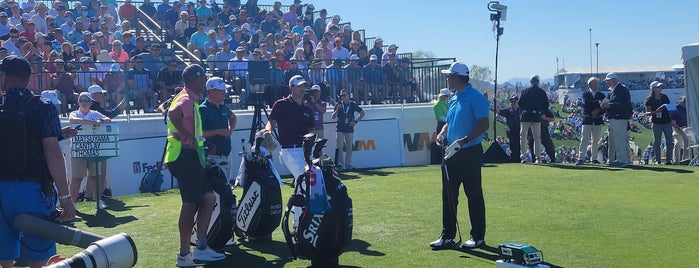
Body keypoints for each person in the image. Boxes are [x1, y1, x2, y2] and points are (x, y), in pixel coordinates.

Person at [0, 55, 77, 268]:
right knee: (42, 261)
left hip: (2, 192)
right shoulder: (43, 106)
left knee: (3, 260)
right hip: (35, 192)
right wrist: (65, 196)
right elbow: (51, 151)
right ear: (28, 79)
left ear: (4, 77)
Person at [165, 64, 226, 266]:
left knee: (208, 198)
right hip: (184, 156)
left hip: (190, 156)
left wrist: (199, 142)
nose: (204, 82)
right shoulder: (186, 98)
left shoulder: (190, 97)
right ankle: (184, 254)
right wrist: (184, 135)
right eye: (201, 79)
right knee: (190, 204)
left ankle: (200, 248)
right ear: (193, 80)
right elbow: (173, 113)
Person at [430, 62, 489, 249]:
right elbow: (448, 122)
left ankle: (477, 236)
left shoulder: (475, 97)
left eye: (449, 76)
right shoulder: (454, 98)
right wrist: (442, 133)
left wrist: (463, 140)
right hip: (450, 153)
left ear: (457, 77)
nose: (447, 78)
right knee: (448, 195)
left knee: (473, 194)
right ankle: (447, 235)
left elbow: (483, 124)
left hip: (469, 151)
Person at [260, 75, 314, 181]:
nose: (302, 89)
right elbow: (271, 122)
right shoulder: (281, 104)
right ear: (291, 87)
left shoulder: (308, 109)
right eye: (299, 86)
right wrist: (267, 131)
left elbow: (311, 130)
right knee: (304, 180)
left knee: (307, 182)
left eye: (304, 86)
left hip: (306, 150)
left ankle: (298, 197)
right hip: (290, 150)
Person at [68, 92, 111, 208]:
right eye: (81, 100)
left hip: (93, 149)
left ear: (91, 103)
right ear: (78, 102)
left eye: (86, 101)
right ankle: (72, 204)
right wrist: (92, 123)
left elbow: (108, 119)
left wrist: (100, 121)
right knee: (77, 178)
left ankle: (98, 201)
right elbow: (72, 120)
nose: (83, 103)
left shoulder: (94, 113)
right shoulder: (75, 113)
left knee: (95, 176)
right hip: (78, 150)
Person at [199, 77, 238, 179]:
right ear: (211, 92)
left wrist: (230, 130)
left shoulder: (223, 107)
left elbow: (233, 117)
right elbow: (198, 133)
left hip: (226, 155)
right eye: (221, 91)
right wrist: (217, 132)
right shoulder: (202, 109)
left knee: (225, 190)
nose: (225, 93)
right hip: (212, 158)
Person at [600, 72, 632, 167]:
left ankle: (622, 160)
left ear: (614, 80)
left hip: (619, 118)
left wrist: (608, 105)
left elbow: (622, 104)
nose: (607, 83)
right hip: (615, 118)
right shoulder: (613, 91)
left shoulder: (621, 90)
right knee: (614, 140)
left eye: (608, 81)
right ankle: (618, 159)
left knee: (619, 140)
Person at [518, 75, 549, 163]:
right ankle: (538, 158)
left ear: (531, 81)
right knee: (537, 138)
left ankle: (523, 156)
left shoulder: (525, 91)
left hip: (526, 115)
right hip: (536, 116)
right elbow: (546, 105)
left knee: (523, 137)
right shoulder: (541, 92)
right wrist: (540, 111)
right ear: (538, 82)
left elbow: (520, 103)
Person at [332, 89, 365, 170]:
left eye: (344, 95)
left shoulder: (352, 104)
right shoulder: (338, 104)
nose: (342, 97)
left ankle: (348, 164)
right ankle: (340, 165)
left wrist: (355, 121)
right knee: (339, 147)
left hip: (349, 129)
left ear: (348, 95)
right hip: (340, 128)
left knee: (349, 148)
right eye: (341, 96)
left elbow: (362, 113)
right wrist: (337, 110)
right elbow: (333, 117)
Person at [576, 77, 606, 165]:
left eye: (597, 83)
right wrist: (598, 107)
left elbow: (605, 107)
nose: (597, 85)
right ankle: (581, 158)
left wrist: (598, 110)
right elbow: (586, 105)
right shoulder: (585, 94)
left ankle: (594, 158)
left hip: (598, 119)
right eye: (595, 84)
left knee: (595, 140)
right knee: (584, 139)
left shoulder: (601, 95)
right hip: (587, 119)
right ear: (590, 85)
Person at [644, 81, 673, 165]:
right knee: (657, 141)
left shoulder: (664, 97)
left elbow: (669, 106)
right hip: (656, 122)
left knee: (669, 140)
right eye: (658, 87)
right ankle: (658, 159)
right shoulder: (649, 99)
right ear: (653, 89)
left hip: (667, 121)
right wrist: (656, 112)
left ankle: (669, 159)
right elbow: (647, 113)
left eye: (660, 87)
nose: (660, 88)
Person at [498, 95, 522, 162]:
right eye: (512, 102)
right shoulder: (508, 111)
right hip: (512, 132)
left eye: (514, 102)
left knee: (520, 147)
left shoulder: (521, 111)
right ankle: (514, 160)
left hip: (520, 132)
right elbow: (499, 111)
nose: (513, 103)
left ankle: (520, 159)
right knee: (513, 147)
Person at [671, 96, 688, 164]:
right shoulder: (676, 108)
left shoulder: (689, 108)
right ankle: (676, 161)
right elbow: (671, 121)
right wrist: (678, 127)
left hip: (687, 129)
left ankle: (685, 160)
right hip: (678, 129)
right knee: (677, 143)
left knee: (687, 142)